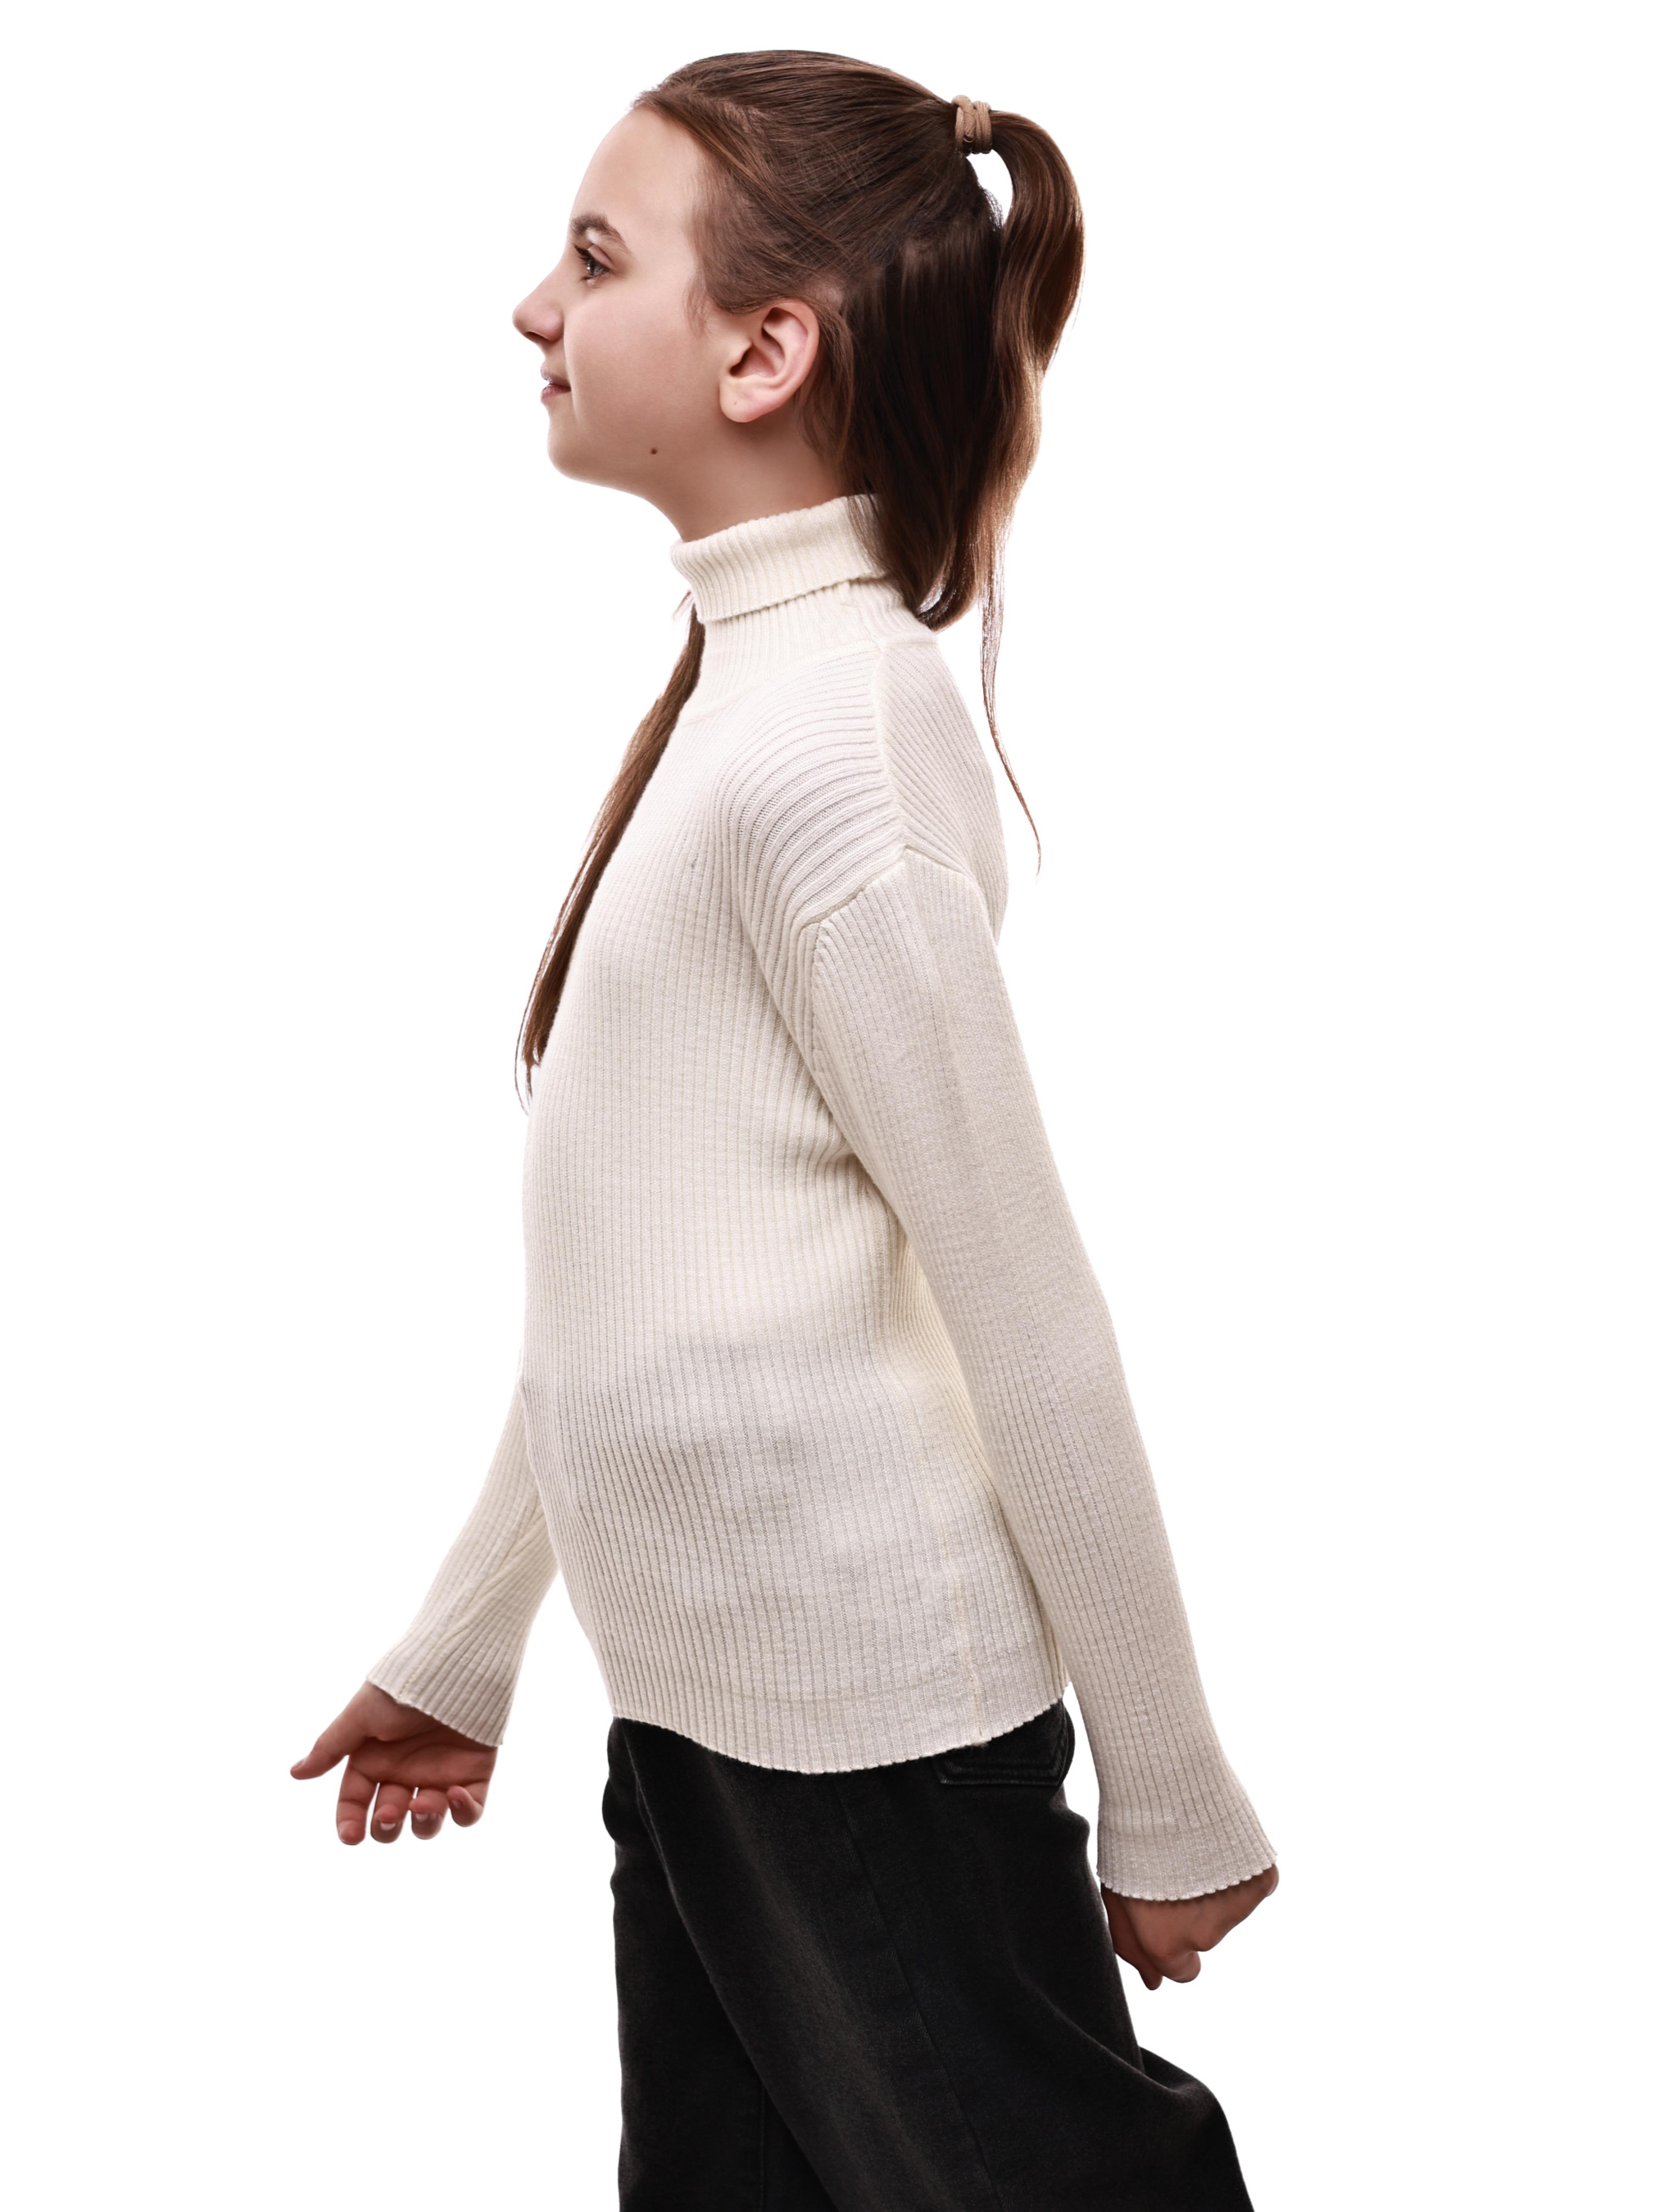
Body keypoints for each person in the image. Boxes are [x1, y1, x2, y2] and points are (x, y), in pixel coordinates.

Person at [290, 51, 1278, 2210]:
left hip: (870, 1732)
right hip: (706, 1715)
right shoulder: (746, 697)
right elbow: (633, 1289)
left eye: (592, 258)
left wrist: (1170, 1780)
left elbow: (1025, 1304)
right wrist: (471, 1636)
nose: (532, 307)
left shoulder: (836, 742)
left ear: (764, 352)